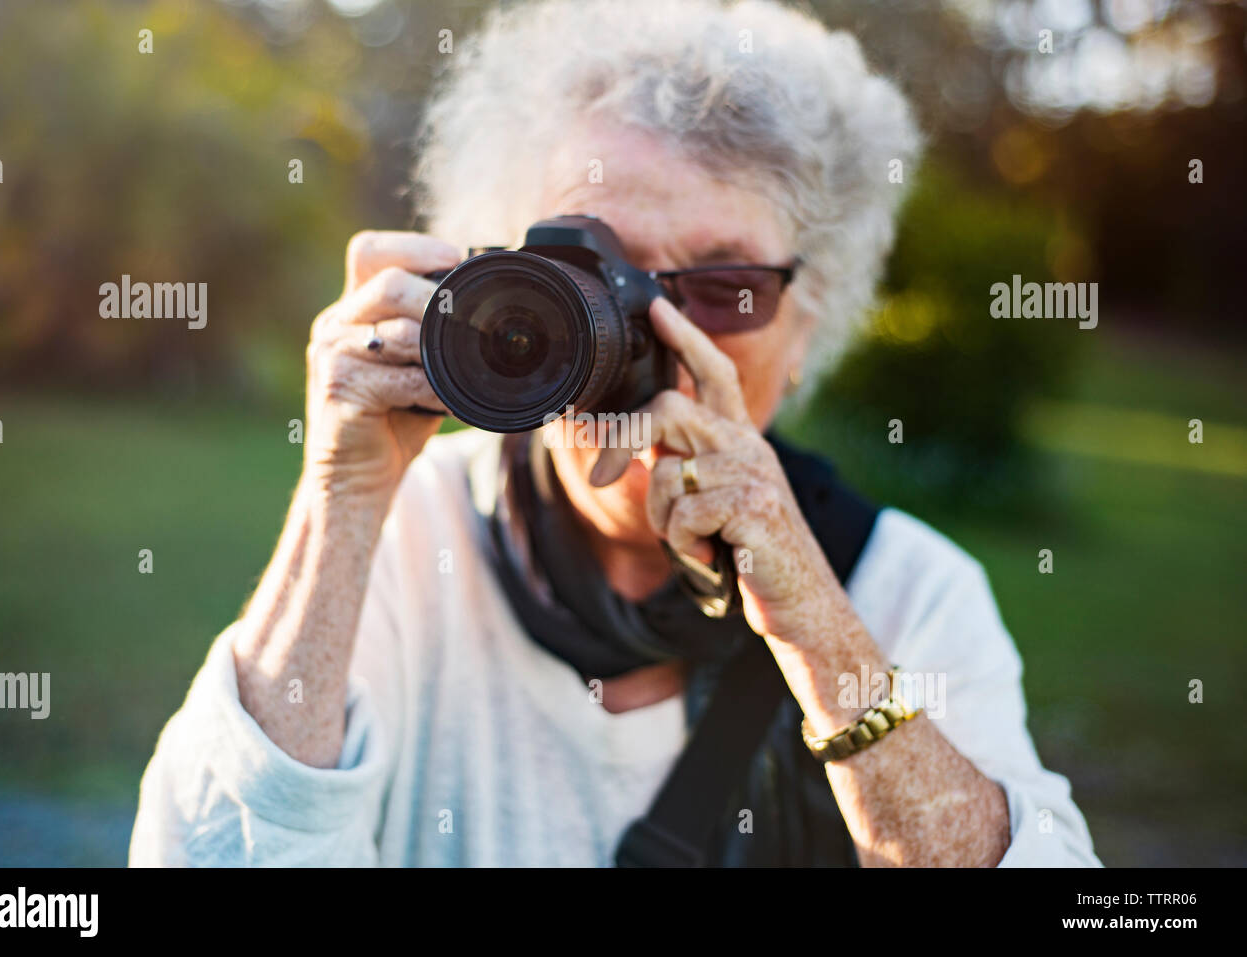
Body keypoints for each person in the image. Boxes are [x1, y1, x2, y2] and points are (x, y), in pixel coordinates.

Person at [129, 0, 1100, 867]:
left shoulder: (905, 592)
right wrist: (338, 505)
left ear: (807, 329)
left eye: (724, 292)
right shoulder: (407, 533)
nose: (642, 335)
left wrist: (807, 609)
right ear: (495, 276)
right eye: (592, 275)